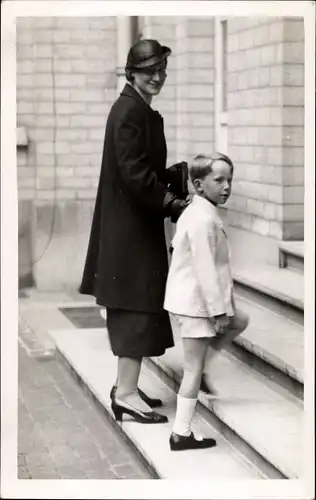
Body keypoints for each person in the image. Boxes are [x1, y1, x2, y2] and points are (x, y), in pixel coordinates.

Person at [79, 39, 189, 424]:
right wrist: (171, 203)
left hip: (135, 226)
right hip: (129, 231)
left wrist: (169, 179)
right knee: (135, 307)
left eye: (162, 70)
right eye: (149, 71)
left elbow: (140, 169)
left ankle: (127, 387)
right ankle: (125, 394)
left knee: (139, 304)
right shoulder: (128, 111)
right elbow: (134, 174)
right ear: (132, 72)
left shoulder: (138, 108)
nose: (158, 77)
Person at [164, 153, 249, 451]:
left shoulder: (202, 211)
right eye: (219, 180)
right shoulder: (200, 218)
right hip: (196, 303)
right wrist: (217, 311)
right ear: (199, 185)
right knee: (192, 369)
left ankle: (201, 372)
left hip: (194, 299)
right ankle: (181, 432)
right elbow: (204, 269)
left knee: (239, 322)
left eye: (230, 179)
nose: (227, 186)